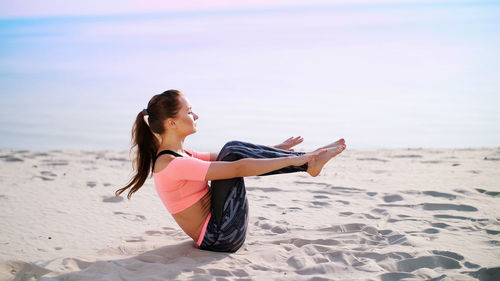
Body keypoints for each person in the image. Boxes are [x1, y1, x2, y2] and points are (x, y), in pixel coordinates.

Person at [115, 89, 346, 253]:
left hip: (224, 231)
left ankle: (309, 161)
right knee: (232, 149)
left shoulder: (182, 156)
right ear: (171, 123)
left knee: (231, 149)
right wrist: (297, 160)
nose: (196, 116)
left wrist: (276, 149)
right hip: (220, 239)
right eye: (190, 111)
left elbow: (235, 159)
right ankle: (308, 164)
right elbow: (237, 166)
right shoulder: (173, 165)